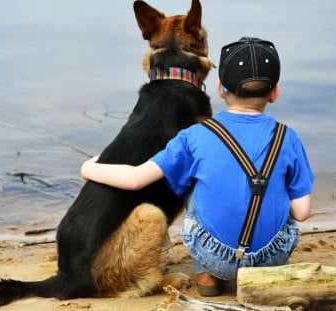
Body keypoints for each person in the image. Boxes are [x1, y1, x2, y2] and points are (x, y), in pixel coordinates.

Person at [81, 37, 314, 297]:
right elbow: (303, 212)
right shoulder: (288, 137)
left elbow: (135, 179)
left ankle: (208, 278)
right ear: (274, 93)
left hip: (214, 254)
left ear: (219, 88)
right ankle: (260, 269)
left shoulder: (194, 135)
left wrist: (89, 169)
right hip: (271, 258)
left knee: (189, 178)